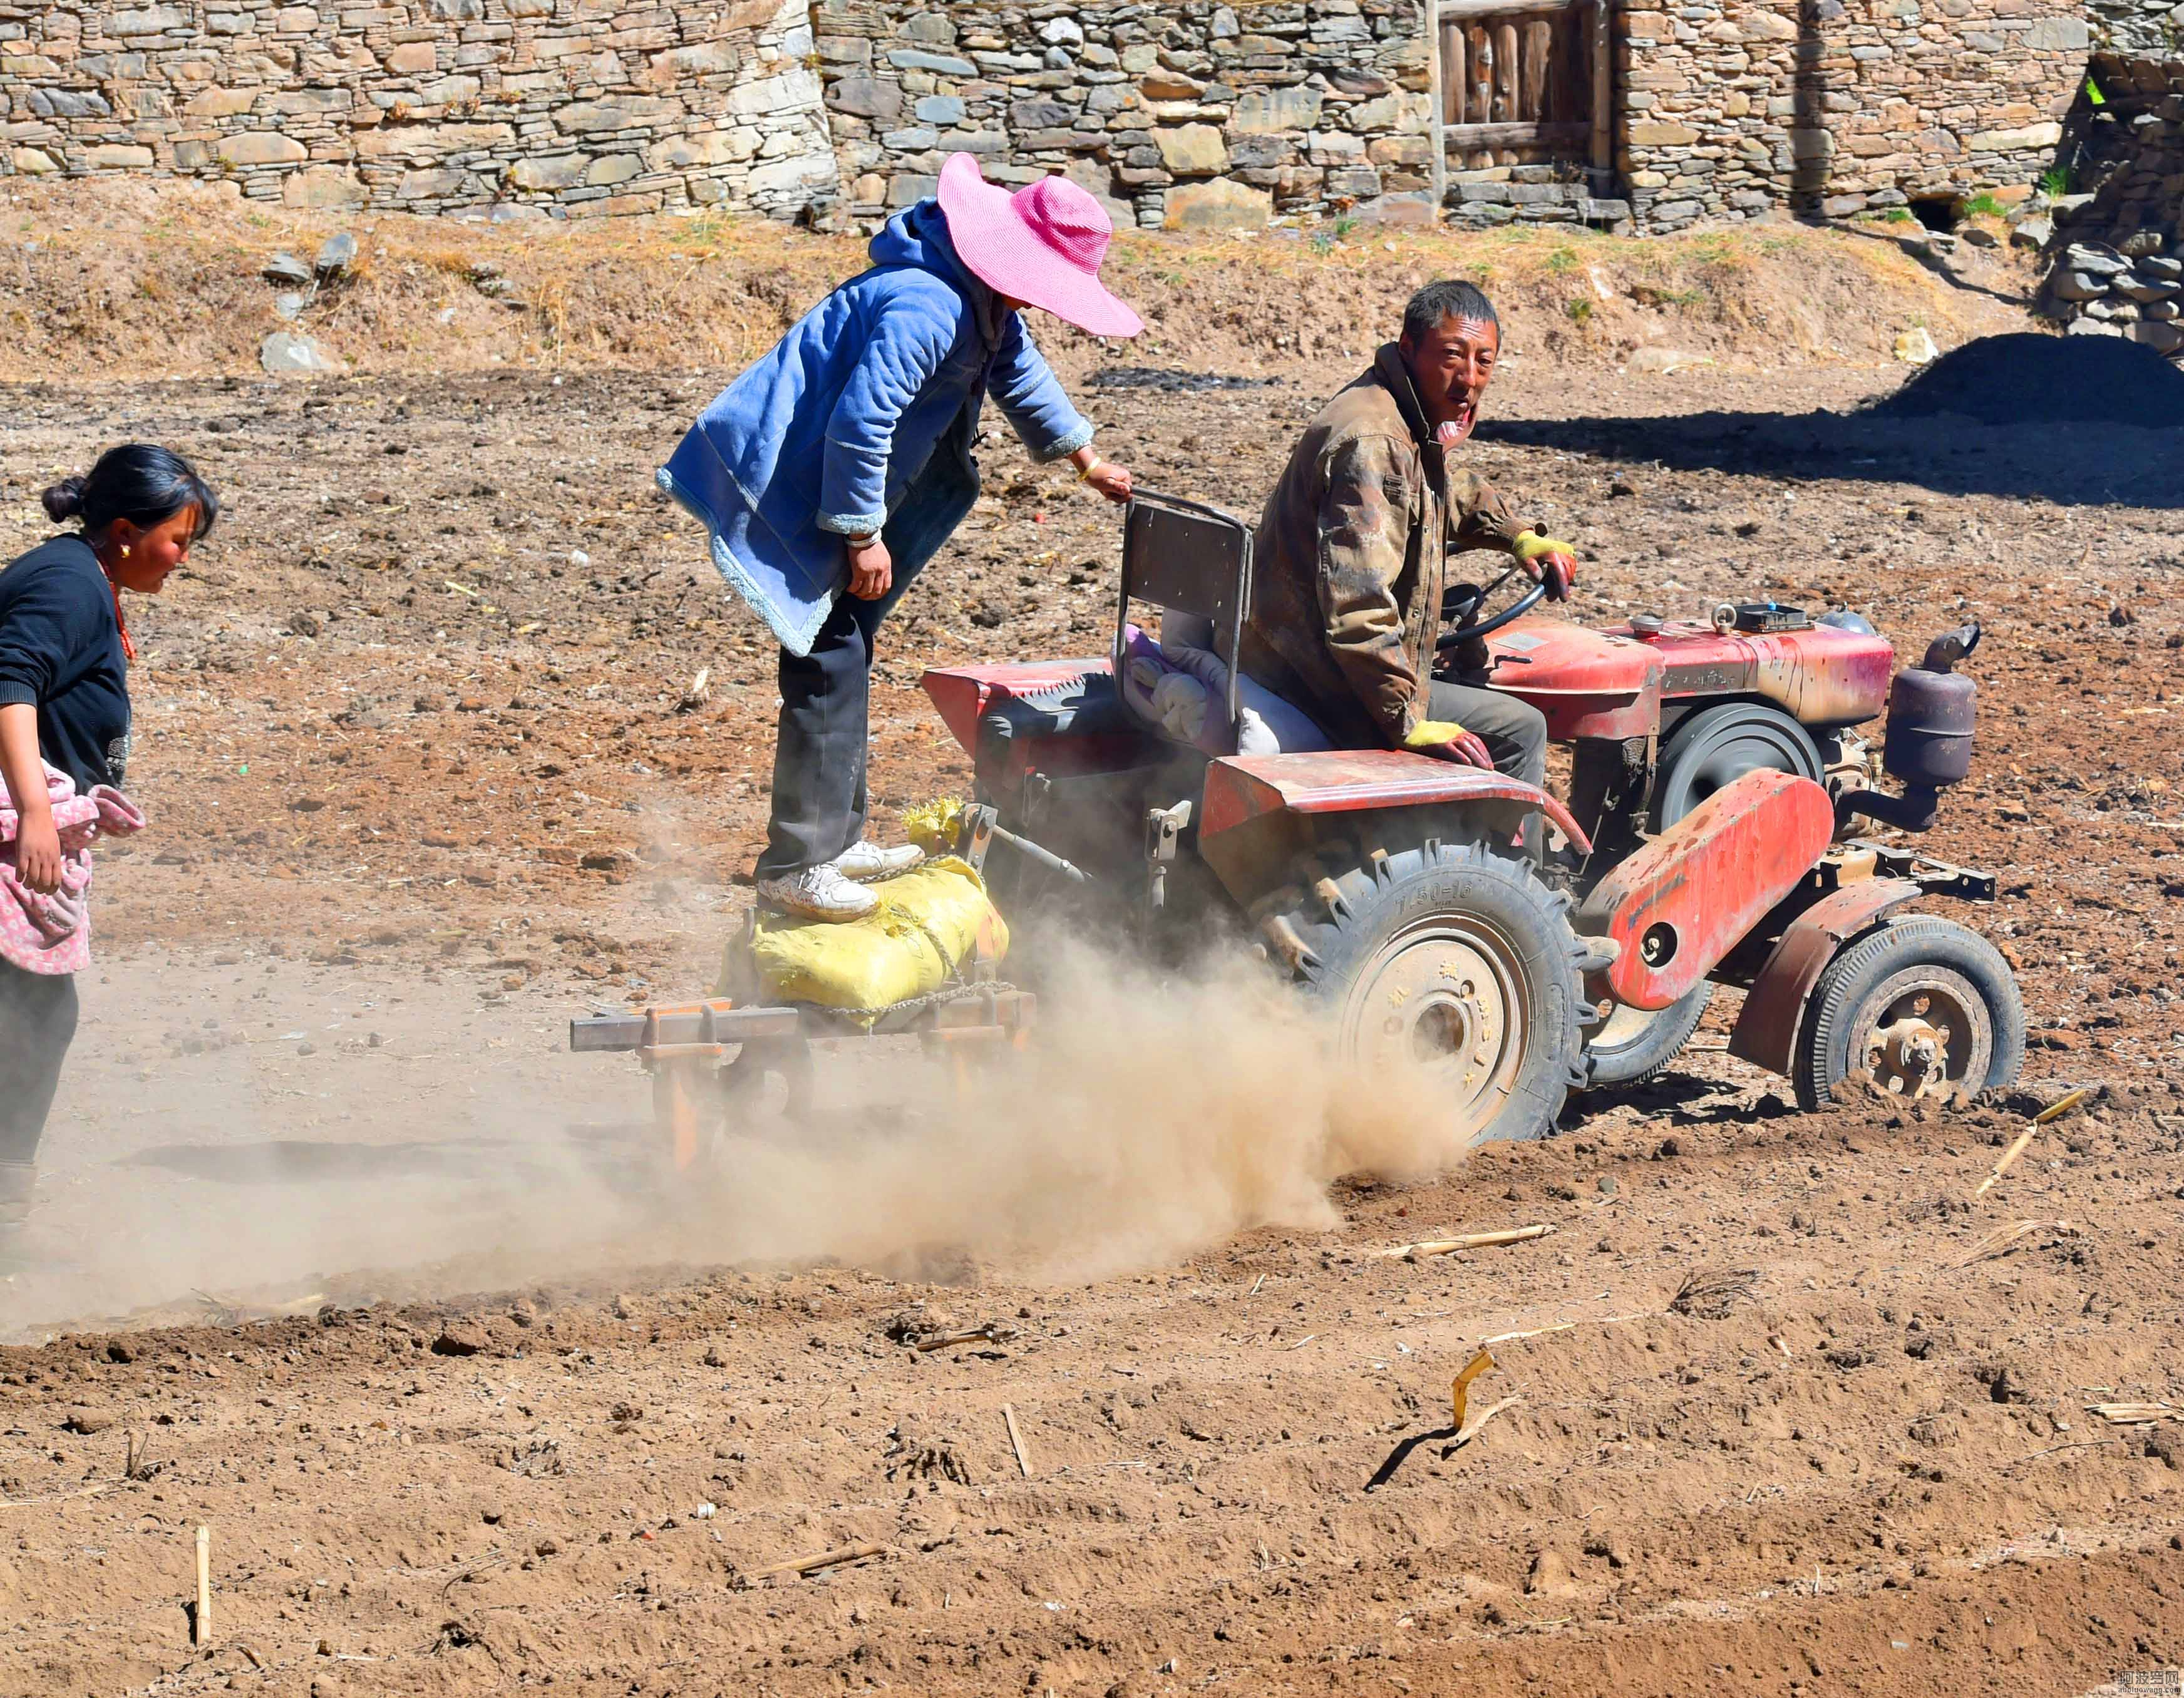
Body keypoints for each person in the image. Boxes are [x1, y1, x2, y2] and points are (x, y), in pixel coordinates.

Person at [661, 153, 1142, 922]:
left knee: (844, 649)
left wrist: (1086, 460)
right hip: (803, 480)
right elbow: (861, 422)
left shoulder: (981, 302)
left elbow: (1020, 376)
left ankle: (835, 841)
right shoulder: (927, 307)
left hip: (835, 486)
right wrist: (859, 535)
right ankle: (796, 862)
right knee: (824, 661)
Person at [0, 445, 217, 1262]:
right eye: (177, 540)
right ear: (125, 530)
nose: (182, 561)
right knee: (31, 1019)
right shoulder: (67, 584)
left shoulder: (80, 578)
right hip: (18, 837)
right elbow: (9, 682)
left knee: (34, 1019)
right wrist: (35, 815)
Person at [1237, 279, 1577, 783]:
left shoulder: (1389, 408)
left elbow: (1438, 488)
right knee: (1521, 729)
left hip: (1296, 655)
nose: (1469, 379)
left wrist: (1516, 535)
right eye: (1452, 356)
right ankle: (1512, 862)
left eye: (1484, 361)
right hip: (1319, 679)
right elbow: (1359, 609)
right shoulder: (1376, 442)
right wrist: (1407, 719)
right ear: (1409, 348)